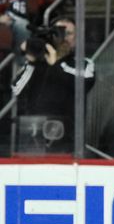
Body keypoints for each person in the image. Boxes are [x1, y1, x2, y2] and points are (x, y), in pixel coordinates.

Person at [12, 16, 95, 154]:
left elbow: (85, 84)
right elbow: (16, 89)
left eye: (68, 34)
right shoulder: (37, 63)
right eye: (58, 33)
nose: (64, 38)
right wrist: (32, 62)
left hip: (67, 139)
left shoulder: (84, 63)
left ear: (77, 38)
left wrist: (55, 64)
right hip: (33, 136)